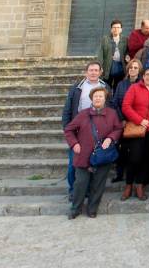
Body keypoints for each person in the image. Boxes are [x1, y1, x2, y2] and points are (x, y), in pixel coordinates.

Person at [65, 86, 123, 219]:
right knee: (80, 184)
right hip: (83, 154)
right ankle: (75, 209)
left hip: (102, 155)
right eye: (95, 96)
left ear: (105, 98)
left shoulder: (112, 114)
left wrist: (110, 138)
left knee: (98, 184)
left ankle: (92, 208)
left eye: (101, 96)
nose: (98, 98)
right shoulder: (83, 114)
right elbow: (69, 129)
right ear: (91, 98)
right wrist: (74, 144)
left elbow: (118, 129)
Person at [61, 61, 109, 197]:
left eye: (96, 70)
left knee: (93, 163)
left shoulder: (105, 87)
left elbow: (110, 108)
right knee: (73, 164)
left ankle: (88, 191)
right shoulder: (77, 88)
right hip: (79, 132)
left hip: (98, 132)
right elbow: (68, 109)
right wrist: (67, 129)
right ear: (86, 72)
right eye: (91, 70)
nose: (93, 73)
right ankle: (73, 191)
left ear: (101, 72)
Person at [121, 67, 149, 197]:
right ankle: (128, 185)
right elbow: (126, 106)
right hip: (137, 129)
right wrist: (140, 120)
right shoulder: (134, 88)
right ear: (143, 76)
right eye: (147, 74)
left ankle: (139, 185)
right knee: (134, 158)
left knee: (146, 159)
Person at [110, 58, 142, 183]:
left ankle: (134, 175)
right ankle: (119, 173)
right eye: (131, 67)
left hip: (136, 122)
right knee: (121, 149)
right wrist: (121, 119)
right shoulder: (121, 84)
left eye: (136, 68)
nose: (133, 70)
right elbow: (115, 103)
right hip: (122, 121)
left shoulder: (142, 84)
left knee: (136, 151)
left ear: (139, 70)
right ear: (128, 69)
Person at [96, 19, 128, 93]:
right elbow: (100, 54)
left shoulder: (125, 39)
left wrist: (127, 56)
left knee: (118, 87)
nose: (116, 29)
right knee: (106, 87)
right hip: (108, 67)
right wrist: (99, 67)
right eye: (114, 27)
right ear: (111, 29)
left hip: (120, 67)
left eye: (118, 27)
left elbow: (127, 51)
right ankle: (107, 102)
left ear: (121, 29)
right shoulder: (105, 39)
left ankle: (115, 103)